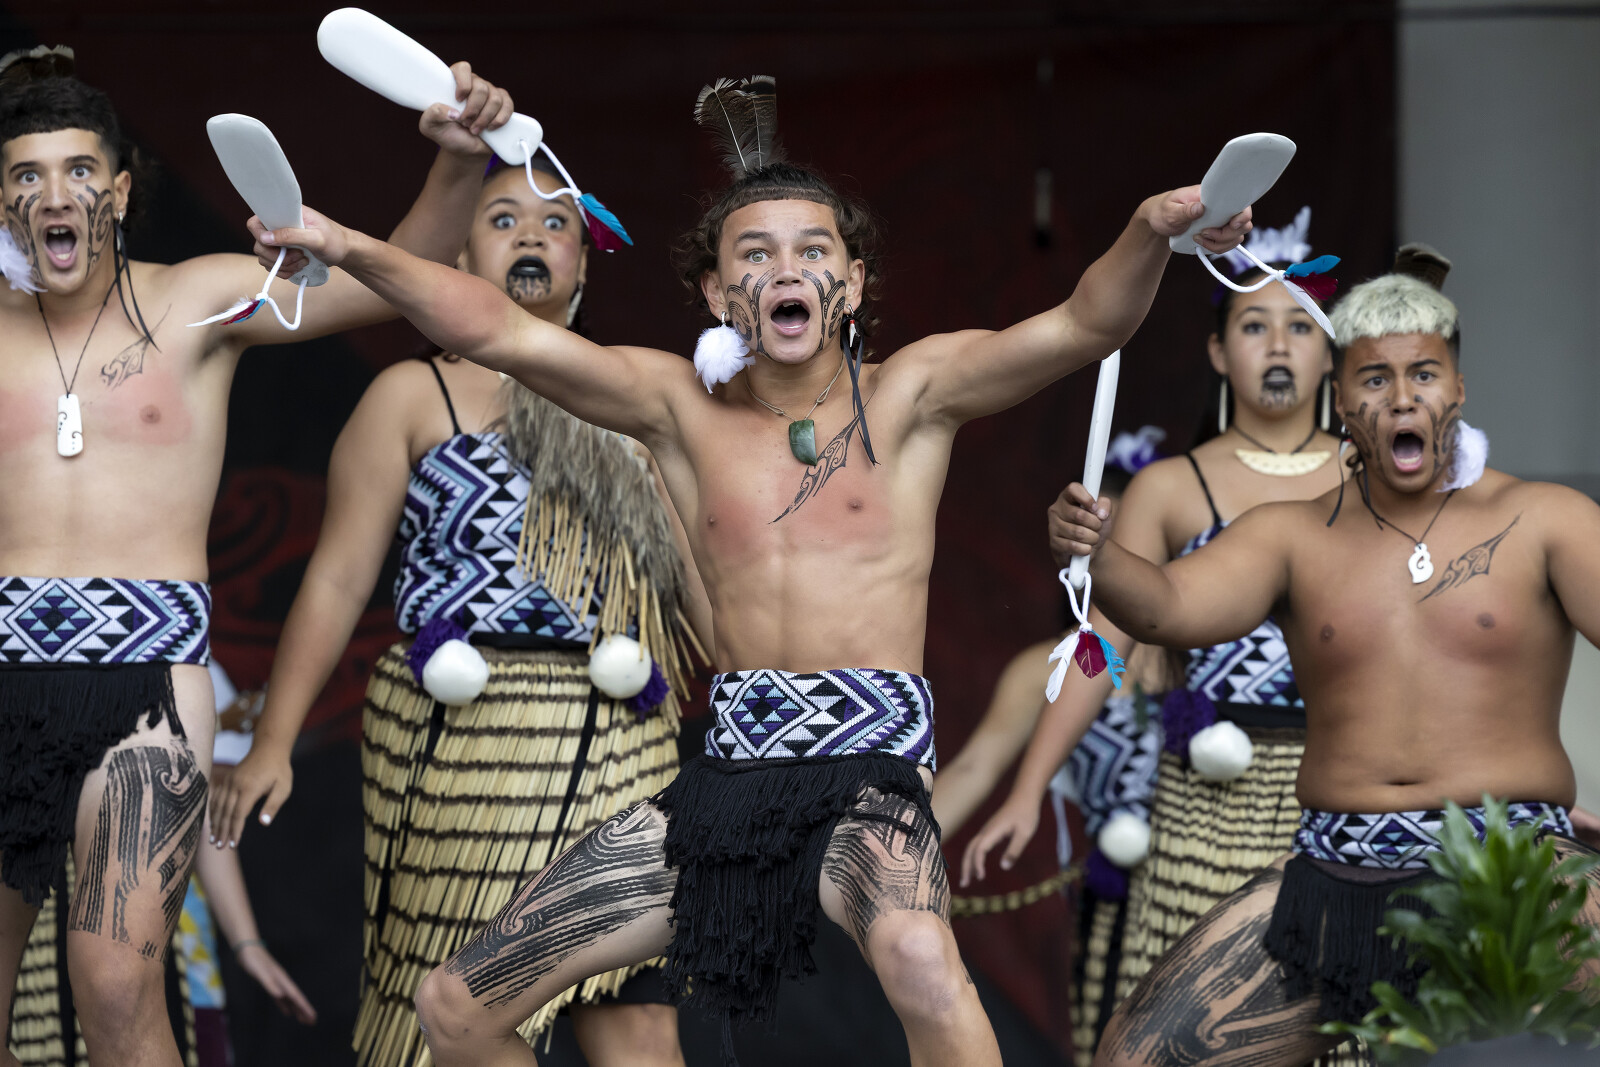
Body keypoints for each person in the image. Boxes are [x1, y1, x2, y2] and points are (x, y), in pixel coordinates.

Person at [244, 74, 1253, 1066]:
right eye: (756, 254)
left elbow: (1087, 324)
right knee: (454, 1004)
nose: (786, 269)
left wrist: (1149, 230)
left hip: (870, 776)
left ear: (853, 282)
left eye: (814, 250)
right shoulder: (675, 405)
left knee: (920, 957)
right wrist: (344, 246)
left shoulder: (912, 396)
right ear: (718, 293)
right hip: (727, 779)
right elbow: (491, 328)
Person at [0, 44, 514, 1067]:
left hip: (146, 689)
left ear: (121, 191)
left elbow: (387, 281)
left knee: (115, 984)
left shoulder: (200, 299)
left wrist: (460, 164)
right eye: (26, 175)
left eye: (78, 170)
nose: (54, 194)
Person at [207, 149, 705, 1067]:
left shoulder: (643, 390)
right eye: (503, 219)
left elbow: (705, 572)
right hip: (457, 742)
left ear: (586, 263)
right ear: (462, 256)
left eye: (556, 224)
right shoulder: (411, 394)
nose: (530, 237)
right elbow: (337, 579)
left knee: (632, 1019)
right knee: (447, 1016)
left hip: (614, 735)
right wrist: (272, 740)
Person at [1048, 270, 1600, 1066]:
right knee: (1139, 1054)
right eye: (1375, 379)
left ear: (1459, 386)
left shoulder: (1546, 519)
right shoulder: (1291, 535)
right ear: (1339, 398)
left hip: (1518, 863)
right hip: (1338, 879)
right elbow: (1166, 606)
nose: (1402, 398)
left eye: (1423, 374)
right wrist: (1098, 553)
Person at [961, 210, 1355, 1061]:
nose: (1277, 345)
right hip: (1200, 810)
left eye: (1298, 326)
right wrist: (1031, 785)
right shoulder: (1173, 488)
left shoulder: (1367, 480)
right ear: (1217, 350)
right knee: (1179, 1038)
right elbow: (1101, 645)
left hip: (1339, 792)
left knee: (1338, 1032)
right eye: (1253, 325)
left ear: (1330, 352)